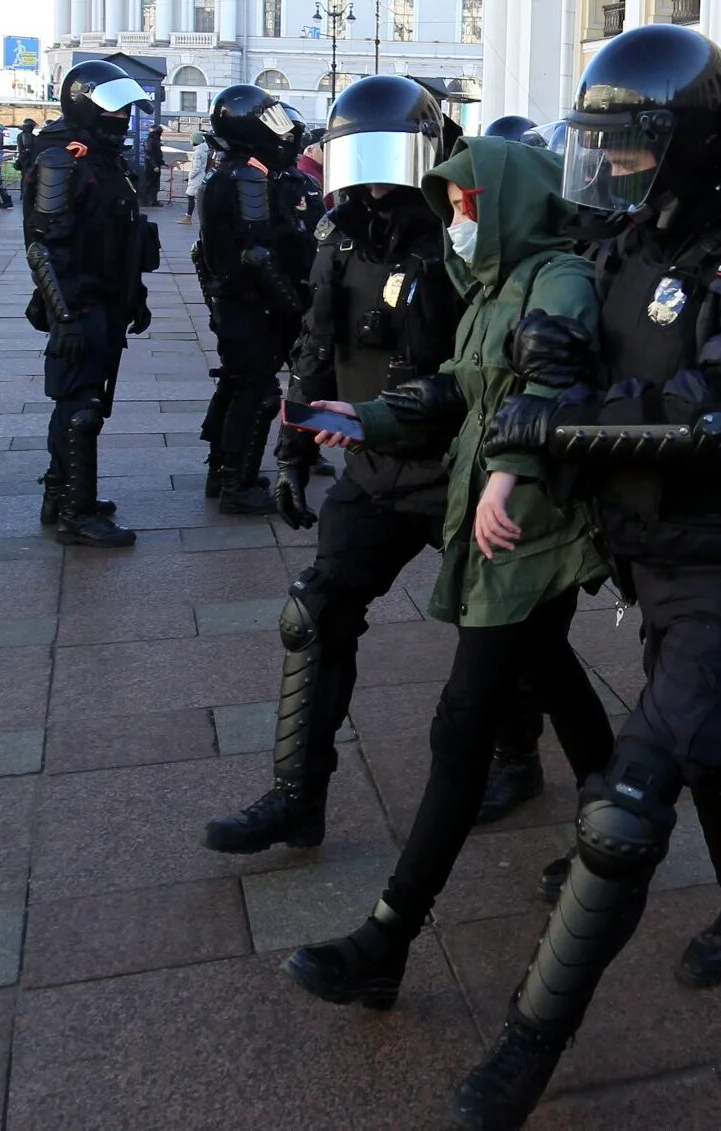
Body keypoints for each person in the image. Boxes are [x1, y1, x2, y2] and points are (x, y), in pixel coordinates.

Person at [438, 25, 721, 1127]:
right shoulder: (645, 229)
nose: (613, 170)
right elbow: (568, 322)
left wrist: (558, 425)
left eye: (631, 149)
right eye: (603, 150)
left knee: (626, 807)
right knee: (710, 735)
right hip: (650, 546)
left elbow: (718, 416)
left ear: (692, 142)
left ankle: (524, 1051)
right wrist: (549, 363)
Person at [278, 133, 616, 1020]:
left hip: (522, 525)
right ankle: (614, 821)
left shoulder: (559, 279)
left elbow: (554, 388)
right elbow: (462, 386)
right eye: (454, 206)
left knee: (461, 726)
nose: (457, 220)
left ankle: (386, 938)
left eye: (469, 205)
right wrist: (369, 417)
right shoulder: (497, 285)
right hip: (499, 510)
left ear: (509, 202)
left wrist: (506, 470)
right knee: (553, 671)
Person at [202, 79, 552, 854]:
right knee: (316, 614)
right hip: (372, 468)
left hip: (459, 466)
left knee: (502, 627)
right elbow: (317, 345)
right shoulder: (340, 232)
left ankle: (518, 753)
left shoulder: (465, 233)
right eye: (356, 155)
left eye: (386, 154)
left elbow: (483, 364)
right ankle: (299, 793)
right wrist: (295, 448)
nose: (372, 175)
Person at [21, 61, 156, 548]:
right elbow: (44, 248)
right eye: (113, 108)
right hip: (79, 302)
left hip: (105, 298)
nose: (122, 118)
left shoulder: (100, 159)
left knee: (85, 401)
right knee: (81, 408)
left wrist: (133, 294)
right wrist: (67, 315)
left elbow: (121, 236)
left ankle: (64, 493)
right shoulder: (64, 160)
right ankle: (76, 513)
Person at [195, 86, 312, 515]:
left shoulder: (228, 170)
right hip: (252, 304)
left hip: (237, 302)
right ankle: (237, 484)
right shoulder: (248, 175)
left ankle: (221, 470)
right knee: (257, 394)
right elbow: (258, 254)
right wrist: (293, 307)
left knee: (236, 385)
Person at [180, 132, 211, 224]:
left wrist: (190, 176)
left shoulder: (198, 152)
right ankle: (188, 217)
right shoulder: (204, 151)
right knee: (196, 197)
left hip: (196, 178)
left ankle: (188, 218)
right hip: (200, 176)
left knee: (191, 196)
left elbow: (196, 168)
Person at [141, 124, 165, 206]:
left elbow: (157, 153)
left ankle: (153, 201)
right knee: (149, 183)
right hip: (151, 166)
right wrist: (154, 165)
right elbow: (149, 154)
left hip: (155, 164)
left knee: (154, 184)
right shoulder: (150, 140)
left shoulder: (154, 140)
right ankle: (145, 201)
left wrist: (162, 162)